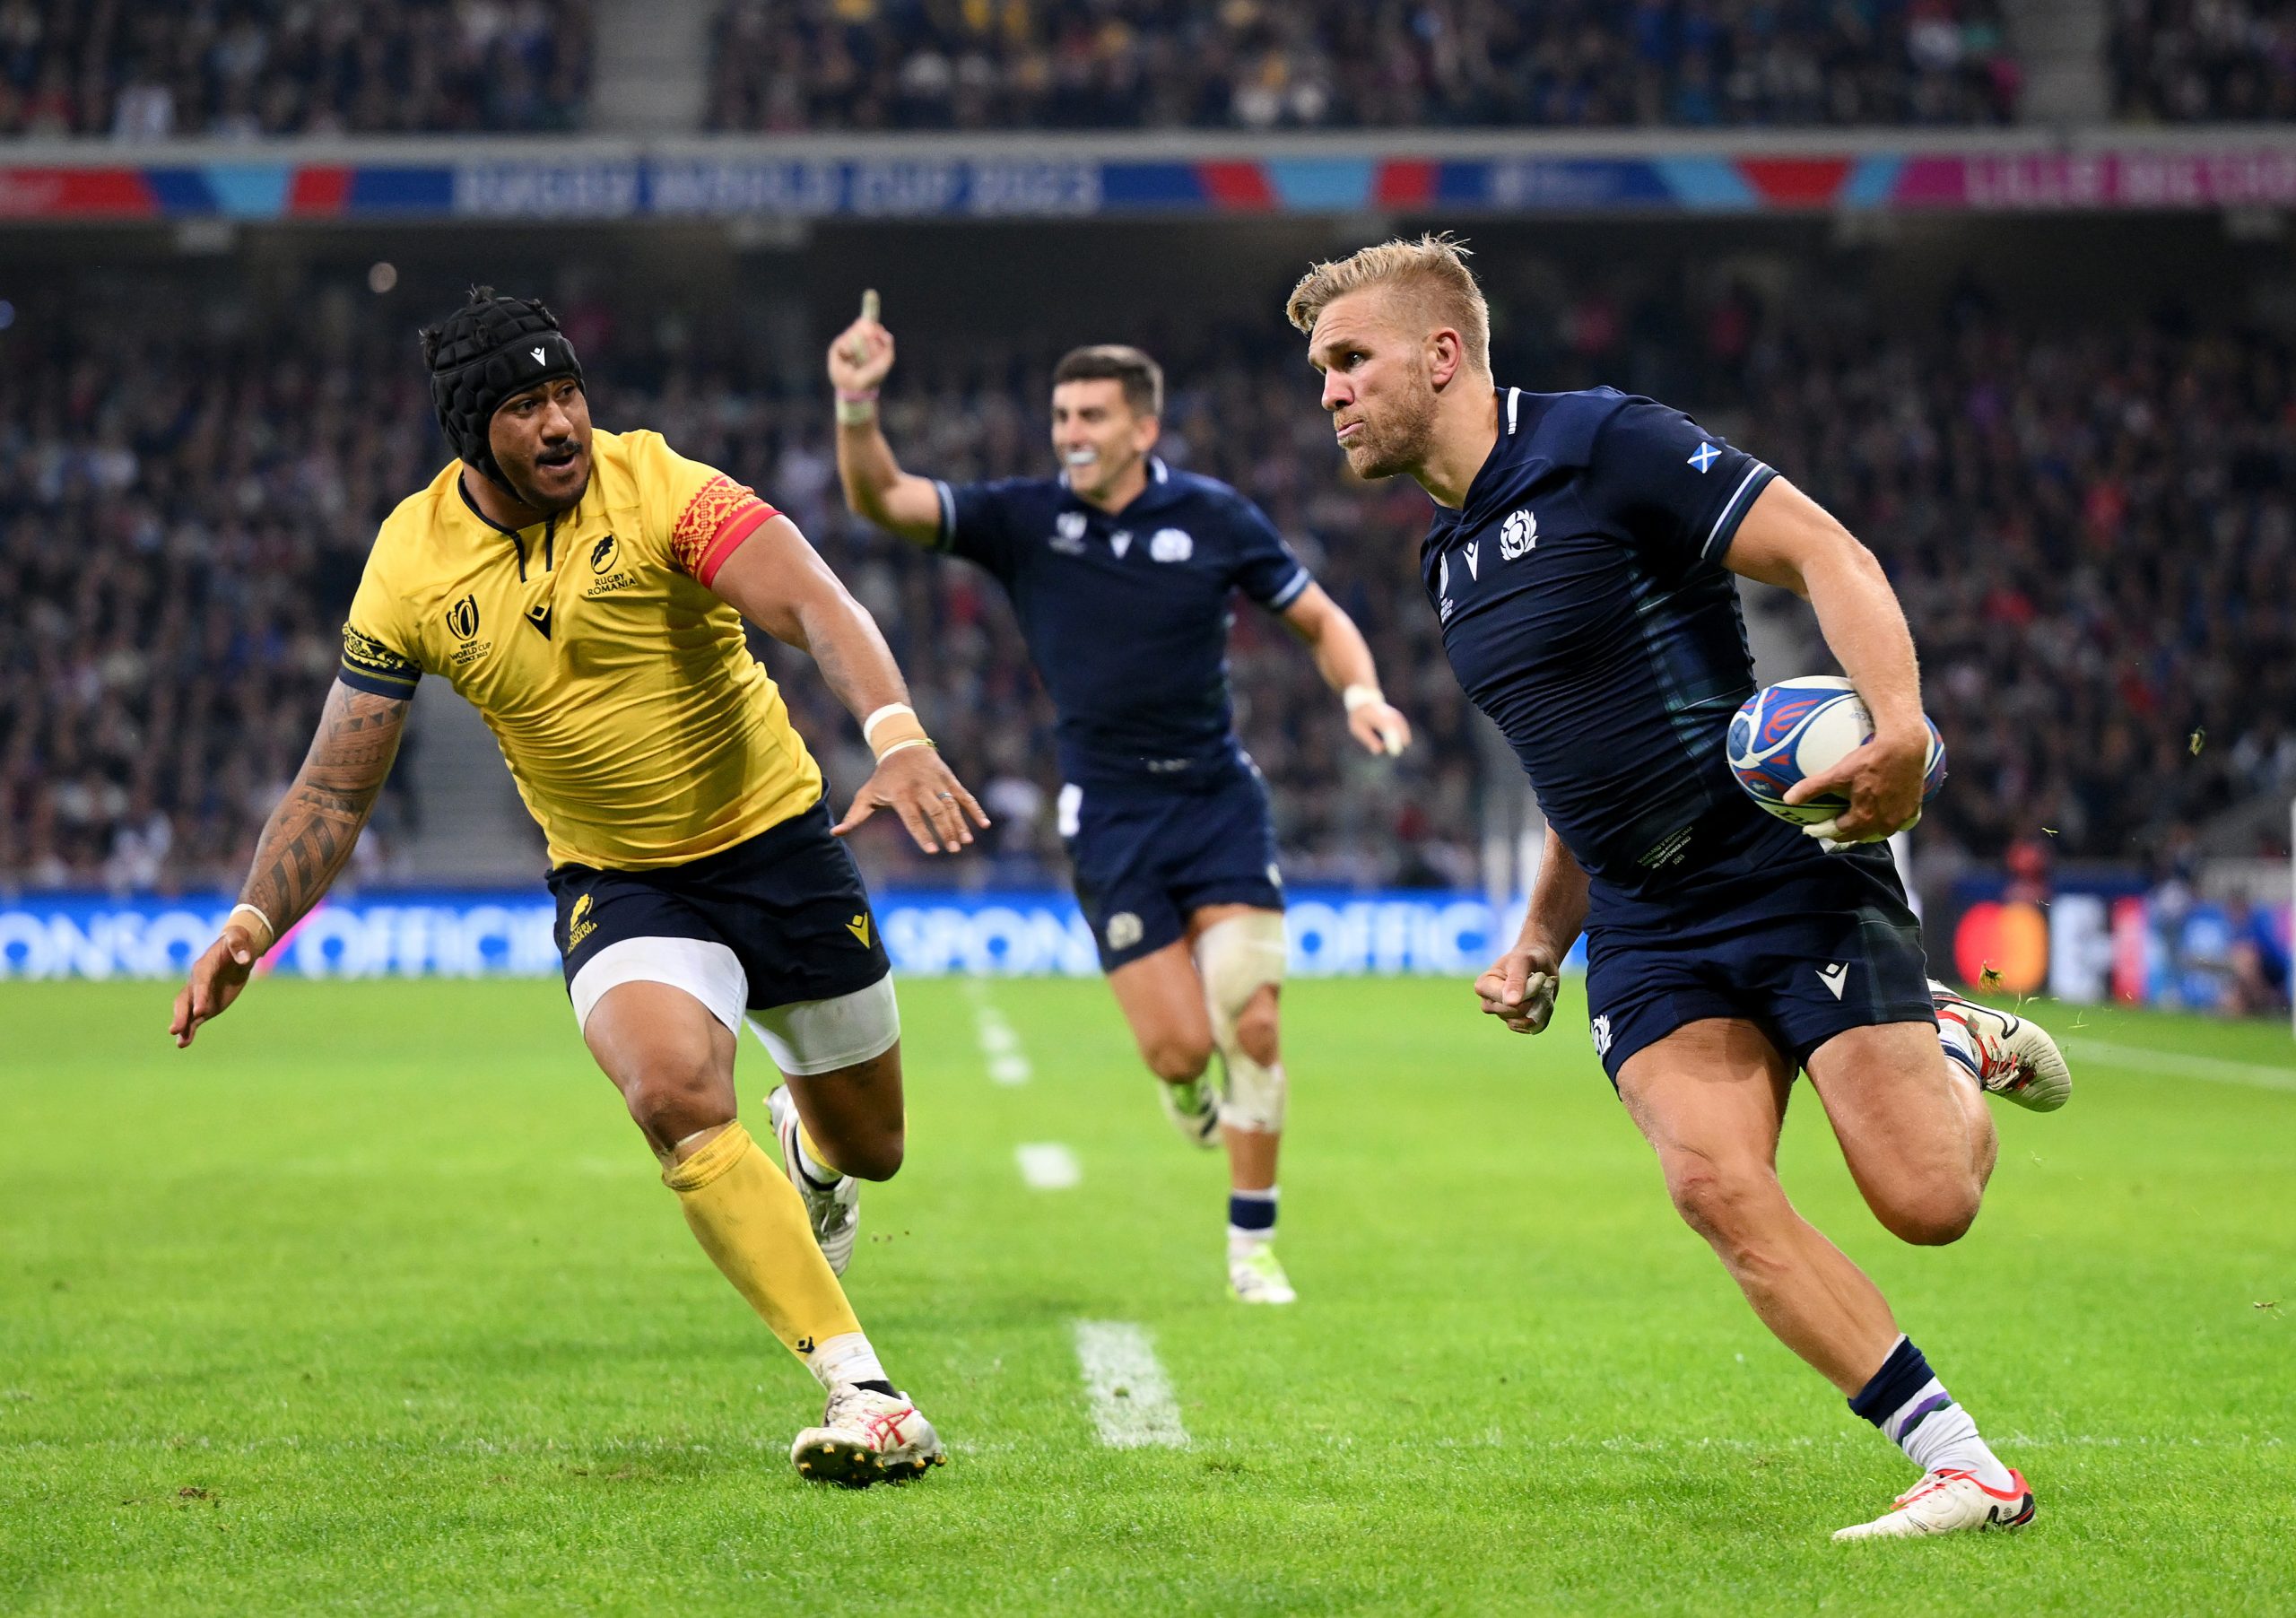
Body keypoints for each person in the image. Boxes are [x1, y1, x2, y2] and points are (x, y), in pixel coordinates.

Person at [1286, 237, 2074, 1540]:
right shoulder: (1446, 558)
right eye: (1323, 368)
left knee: (1928, 1203)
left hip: (1778, 867)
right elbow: (1574, 777)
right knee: (1712, 1185)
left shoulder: (1604, 443)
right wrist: (1539, 942)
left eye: (1350, 359)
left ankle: (1950, 1039)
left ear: (1442, 354)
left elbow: (1827, 551)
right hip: (1644, 922)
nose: (1329, 391)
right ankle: (1960, 1463)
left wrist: (1898, 728)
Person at [169, 289, 989, 1488]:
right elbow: (336, 787)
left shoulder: (659, 485)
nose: (559, 423)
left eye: (567, 393)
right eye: (523, 406)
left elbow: (815, 601)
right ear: (471, 429)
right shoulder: (409, 563)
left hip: (779, 847)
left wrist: (897, 734)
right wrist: (253, 920)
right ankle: (865, 1391)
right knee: (669, 1090)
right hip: (620, 882)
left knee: (875, 1144)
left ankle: (809, 1155)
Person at [829, 298, 1412, 1304]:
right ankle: (1184, 1085)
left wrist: (1361, 692)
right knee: (1182, 1048)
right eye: (1062, 416)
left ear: (1144, 427)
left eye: (1091, 416)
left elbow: (1319, 619)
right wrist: (854, 405)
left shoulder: (1215, 518)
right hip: (1110, 819)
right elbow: (883, 498)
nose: (1071, 433)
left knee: (1253, 1025)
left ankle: (1252, 1249)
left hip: (1217, 802)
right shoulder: (1025, 518)